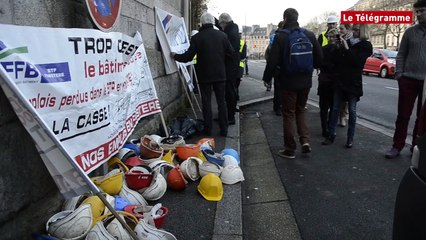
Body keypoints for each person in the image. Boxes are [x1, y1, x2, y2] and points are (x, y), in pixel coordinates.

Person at [262, 8, 322, 159]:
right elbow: (320, 58)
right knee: (301, 110)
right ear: (297, 18)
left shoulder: (281, 36)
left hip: (288, 81)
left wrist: (267, 78)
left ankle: (289, 149)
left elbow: (272, 60)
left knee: (288, 113)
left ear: (285, 18)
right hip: (306, 81)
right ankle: (305, 142)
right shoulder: (309, 34)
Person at [171, 12, 234, 137]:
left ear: (202, 23)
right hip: (220, 75)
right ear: (213, 22)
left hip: (204, 75)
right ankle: (224, 129)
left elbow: (188, 56)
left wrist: (175, 56)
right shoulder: (222, 36)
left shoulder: (197, 38)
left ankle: (208, 129)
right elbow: (231, 54)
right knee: (221, 102)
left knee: (206, 102)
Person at [385, 0, 426, 159]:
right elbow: (401, 55)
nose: (419, 14)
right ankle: (397, 146)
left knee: (422, 118)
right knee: (403, 115)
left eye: (422, 11)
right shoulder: (410, 32)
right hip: (408, 79)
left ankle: (416, 147)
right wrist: (399, 74)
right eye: (417, 12)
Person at [322, 24, 373, 148]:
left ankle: (350, 138)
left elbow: (358, 62)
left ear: (362, 32)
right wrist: (338, 47)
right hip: (341, 80)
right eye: (353, 29)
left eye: (357, 30)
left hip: (353, 82)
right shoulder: (348, 42)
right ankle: (331, 135)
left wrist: (346, 49)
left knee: (352, 110)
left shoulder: (366, 46)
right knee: (335, 108)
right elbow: (337, 60)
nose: (354, 32)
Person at [218, 12, 240, 125]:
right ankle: (227, 115)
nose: (220, 26)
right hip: (232, 66)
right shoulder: (233, 30)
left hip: (229, 67)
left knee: (229, 92)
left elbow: (230, 50)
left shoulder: (230, 32)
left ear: (224, 22)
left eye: (220, 23)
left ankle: (230, 117)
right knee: (230, 92)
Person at [317, 28, 340, 138]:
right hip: (327, 80)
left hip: (330, 81)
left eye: (333, 37)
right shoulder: (326, 49)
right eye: (329, 37)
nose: (331, 39)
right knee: (325, 107)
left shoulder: (338, 50)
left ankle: (327, 127)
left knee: (329, 107)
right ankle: (325, 128)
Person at [264, 21, 284, 116]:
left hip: (277, 66)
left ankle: (277, 106)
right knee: (280, 88)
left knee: (278, 88)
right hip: (280, 66)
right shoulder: (277, 37)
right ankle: (278, 107)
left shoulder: (274, 36)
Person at [337, 24, 353, 127]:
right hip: (338, 70)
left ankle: (343, 116)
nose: (340, 30)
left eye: (342, 28)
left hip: (348, 72)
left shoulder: (351, 40)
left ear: (347, 29)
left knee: (345, 99)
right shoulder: (339, 38)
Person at [236, 32, 247, 101]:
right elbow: (244, 55)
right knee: (237, 82)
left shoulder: (231, 41)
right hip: (240, 65)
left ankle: (235, 96)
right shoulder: (243, 42)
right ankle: (237, 96)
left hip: (232, 65)